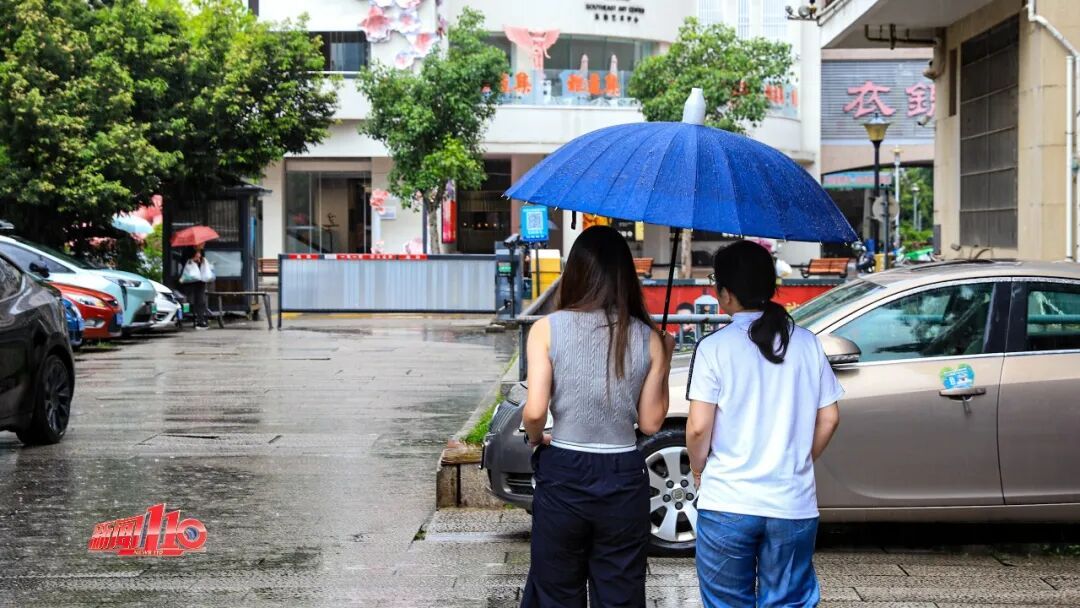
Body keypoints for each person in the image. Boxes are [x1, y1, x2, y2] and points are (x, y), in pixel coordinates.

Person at [521, 225, 675, 608]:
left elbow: (535, 410)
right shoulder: (646, 336)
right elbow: (652, 423)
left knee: (556, 591)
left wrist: (536, 437)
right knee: (619, 591)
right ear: (624, 275)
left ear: (575, 272)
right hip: (624, 474)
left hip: (565, 471)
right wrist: (664, 359)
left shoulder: (546, 329)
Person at [686, 240, 843, 608]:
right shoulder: (806, 343)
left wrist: (698, 469)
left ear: (725, 293)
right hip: (792, 503)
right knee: (787, 602)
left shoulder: (714, 348)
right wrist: (798, 460)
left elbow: (696, 429)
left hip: (728, 502)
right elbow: (830, 417)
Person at [179, 245, 213, 330]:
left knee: (201, 300)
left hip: (200, 279)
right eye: (202, 243)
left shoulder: (202, 250)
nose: (204, 244)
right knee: (190, 300)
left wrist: (200, 260)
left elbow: (203, 261)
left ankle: (200, 321)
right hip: (189, 279)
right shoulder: (187, 250)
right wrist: (193, 260)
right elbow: (183, 262)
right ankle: (186, 318)